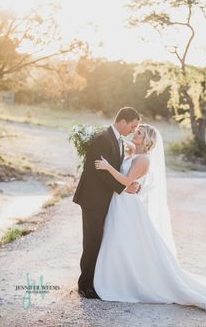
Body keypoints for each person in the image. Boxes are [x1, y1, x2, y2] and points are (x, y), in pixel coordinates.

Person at [93, 124, 206, 314]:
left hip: (128, 206)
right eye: (136, 131)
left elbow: (127, 182)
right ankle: (117, 278)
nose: (136, 133)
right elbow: (125, 145)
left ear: (147, 140)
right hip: (120, 203)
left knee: (120, 241)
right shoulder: (136, 152)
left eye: (140, 133)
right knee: (119, 241)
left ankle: (121, 282)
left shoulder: (143, 159)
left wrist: (108, 167)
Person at [73, 107, 141, 298]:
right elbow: (99, 170)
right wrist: (124, 187)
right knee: (92, 241)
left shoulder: (117, 139)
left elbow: (118, 168)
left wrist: (130, 183)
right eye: (132, 126)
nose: (133, 130)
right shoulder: (103, 138)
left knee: (99, 240)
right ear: (123, 122)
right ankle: (85, 286)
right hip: (92, 199)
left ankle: (94, 281)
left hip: (103, 199)